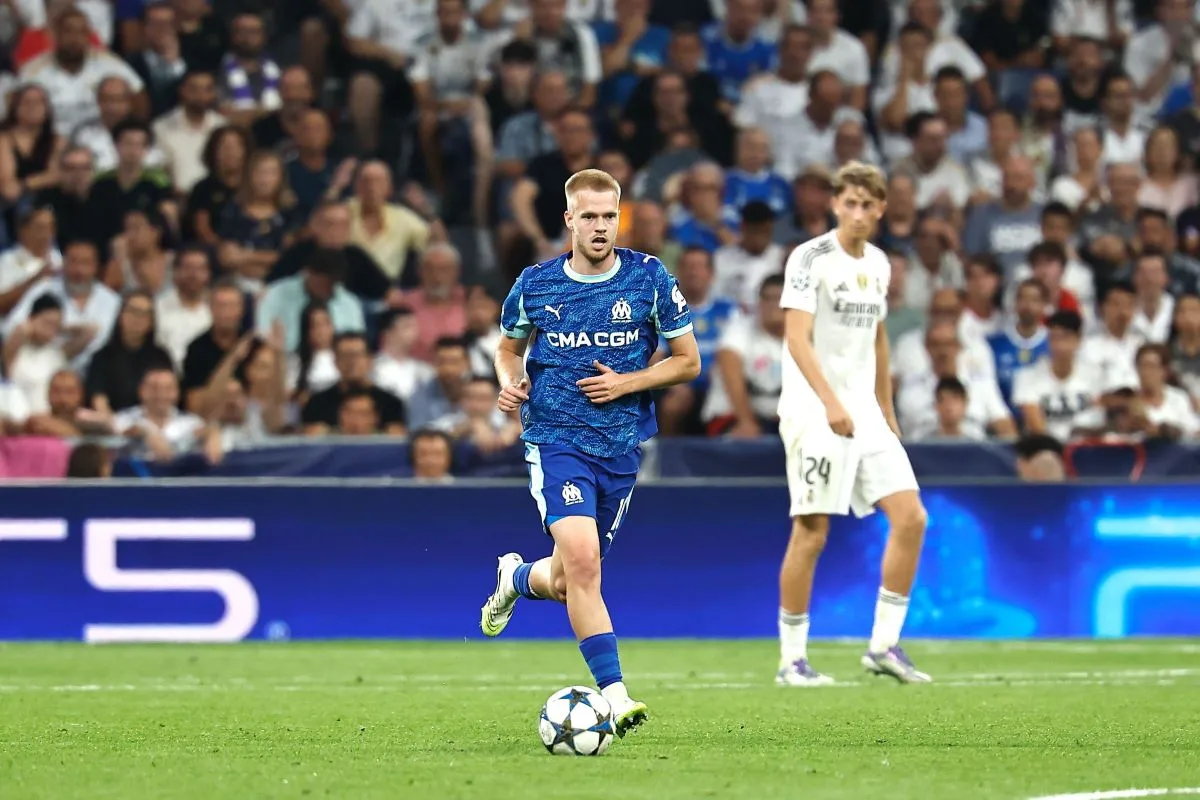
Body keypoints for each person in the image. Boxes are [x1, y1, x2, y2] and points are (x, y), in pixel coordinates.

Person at [478, 168, 701, 735]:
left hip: (622, 447)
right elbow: (508, 348)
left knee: (572, 577)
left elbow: (688, 361)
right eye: (590, 216)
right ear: (569, 220)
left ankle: (517, 578)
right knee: (581, 564)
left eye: (609, 216)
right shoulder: (536, 284)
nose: (600, 227)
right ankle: (616, 695)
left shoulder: (649, 279)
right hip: (555, 440)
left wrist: (627, 383)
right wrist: (509, 380)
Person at [775, 161, 931, 686]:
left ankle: (884, 646)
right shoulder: (810, 257)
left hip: (864, 410)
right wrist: (830, 403)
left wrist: (885, 409)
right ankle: (792, 659)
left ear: (882, 209)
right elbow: (796, 337)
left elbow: (879, 339)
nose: (858, 212)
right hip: (813, 410)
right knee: (812, 532)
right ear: (835, 204)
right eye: (850, 202)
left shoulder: (882, 264)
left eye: (869, 204)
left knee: (911, 518)